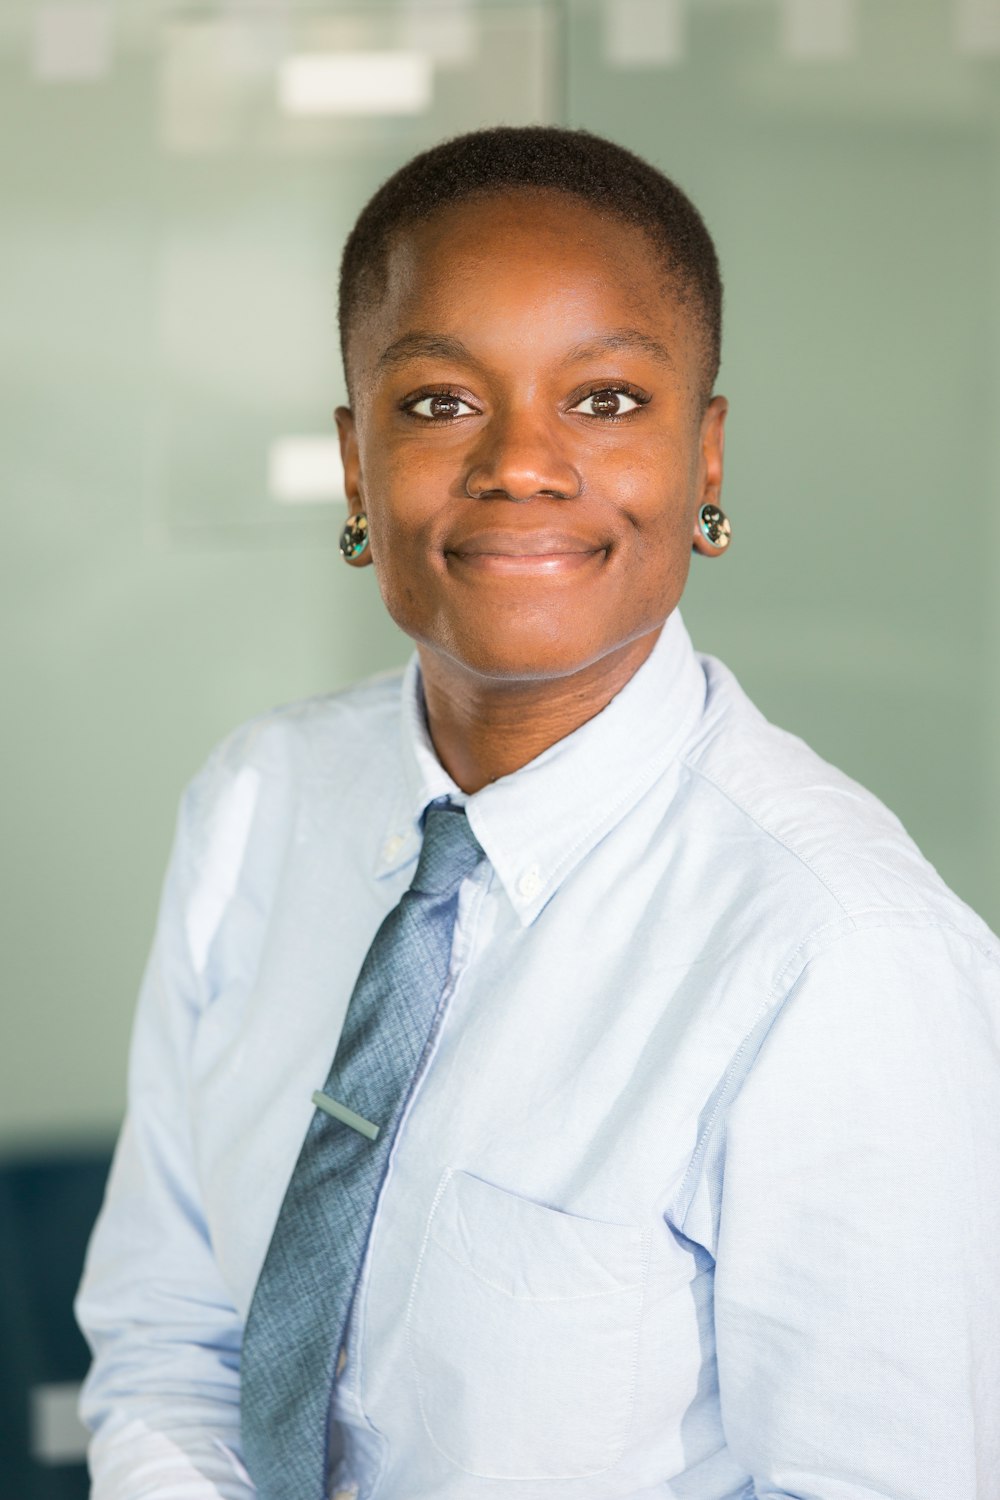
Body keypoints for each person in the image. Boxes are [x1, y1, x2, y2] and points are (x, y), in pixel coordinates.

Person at [75, 126, 1000, 1500]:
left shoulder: (841, 954)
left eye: (609, 401)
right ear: (353, 464)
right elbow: (171, 1338)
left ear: (708, 458)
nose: (521, 462)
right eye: (440, 403)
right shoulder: (258, 804)